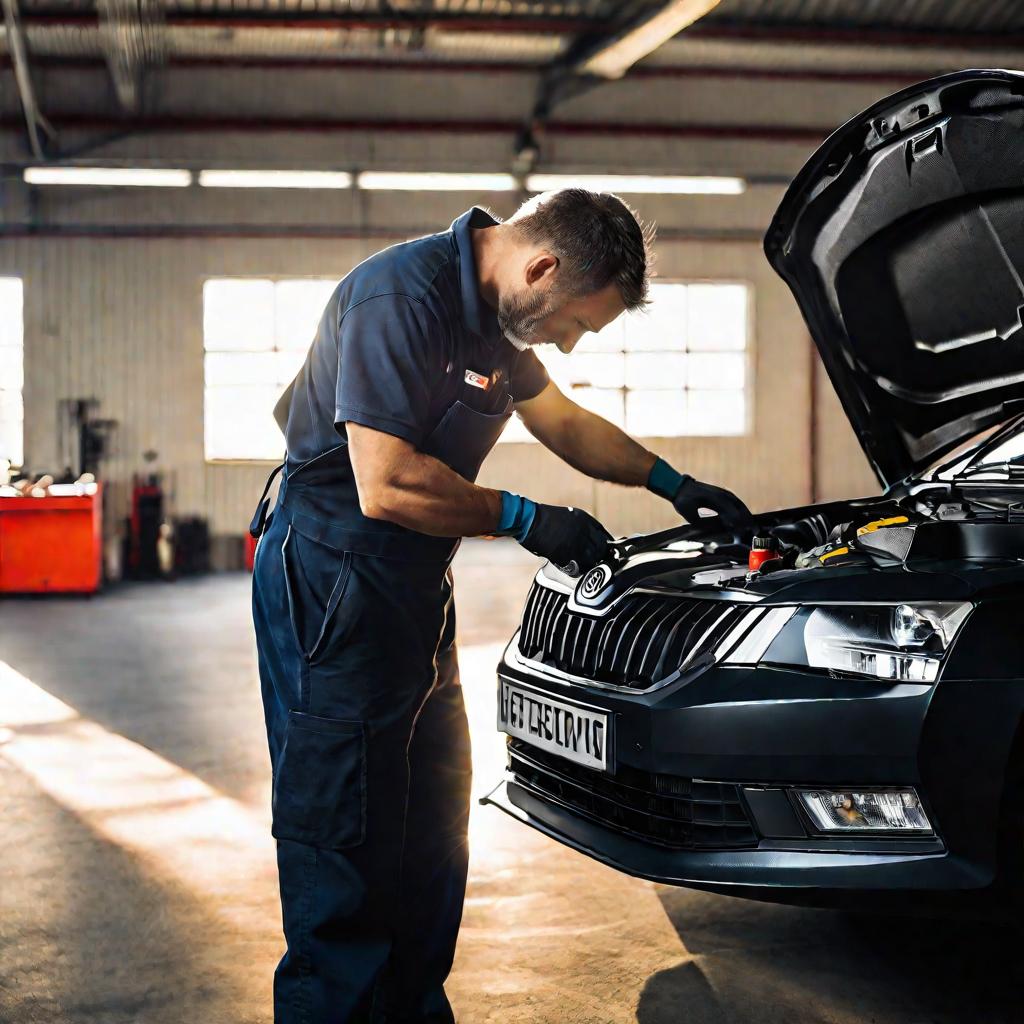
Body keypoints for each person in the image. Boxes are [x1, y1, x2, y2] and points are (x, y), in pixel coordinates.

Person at [249, 188, 751, 1024]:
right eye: (576, 324)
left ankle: (412, 1009)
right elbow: (386, 483)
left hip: (412, 587)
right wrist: (525, 518)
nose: (568, 340)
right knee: (343, 831)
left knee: (430, 820)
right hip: (333, 583)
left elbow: (564, 421)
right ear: (541, 267)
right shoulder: (399, 299)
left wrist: (674, 483)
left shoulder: (500, 319)